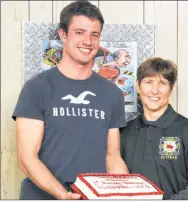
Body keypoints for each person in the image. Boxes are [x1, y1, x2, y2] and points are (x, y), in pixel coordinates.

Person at [12, 1, 128, 199]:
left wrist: (126, 194)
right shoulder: (37, 88)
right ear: (63, 35)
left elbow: (112, 157)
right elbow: (26, 158)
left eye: (94, 35)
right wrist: (62, 194)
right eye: (80, 32)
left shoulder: (112, 94)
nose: (88, 42)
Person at [120, 57, 188, 200]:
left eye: (162, 83)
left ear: (171, 89)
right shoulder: (124, 132)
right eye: (148, 82)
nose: (155, 91)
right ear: (138, 86)